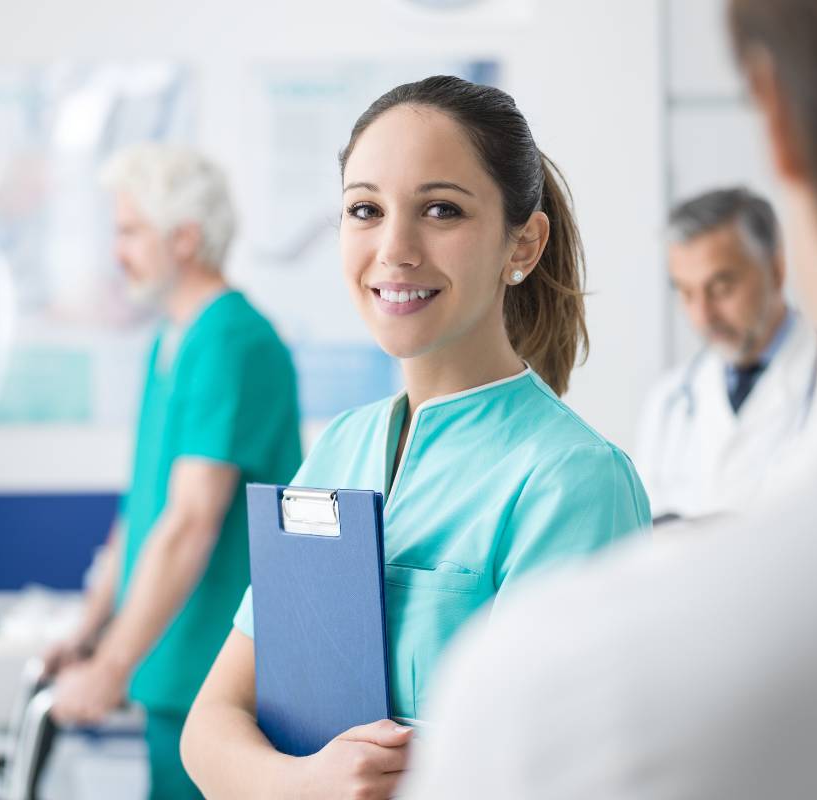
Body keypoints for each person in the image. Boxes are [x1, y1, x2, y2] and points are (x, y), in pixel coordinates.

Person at [405, 2, 817, 797]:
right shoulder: (674, 400)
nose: (705, 312)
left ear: (776, 120)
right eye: (361, 208)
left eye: (440, 209)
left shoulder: (562, 684)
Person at [180, 76, 651, 799]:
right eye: (364, 210)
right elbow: (210, 725)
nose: (395, 248)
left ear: (522, 242)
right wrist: (309, 786)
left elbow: (554, 775)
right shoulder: (340, 447)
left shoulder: (572, 480)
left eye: (441, 210)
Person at [45, 143, 303, 800]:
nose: (117, 251)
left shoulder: (231, 339)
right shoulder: (172, 339)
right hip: (171, 666)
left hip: (218, 680)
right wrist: (88, 630)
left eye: (130, 231)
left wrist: (110, 666)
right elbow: (143, 513)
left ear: (185, 238)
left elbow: (192, 520)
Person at [635, 187, 817, 522]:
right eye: (687, 293)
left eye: (721, 289)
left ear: (776, 271)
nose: (703, 316)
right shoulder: (668, 401)